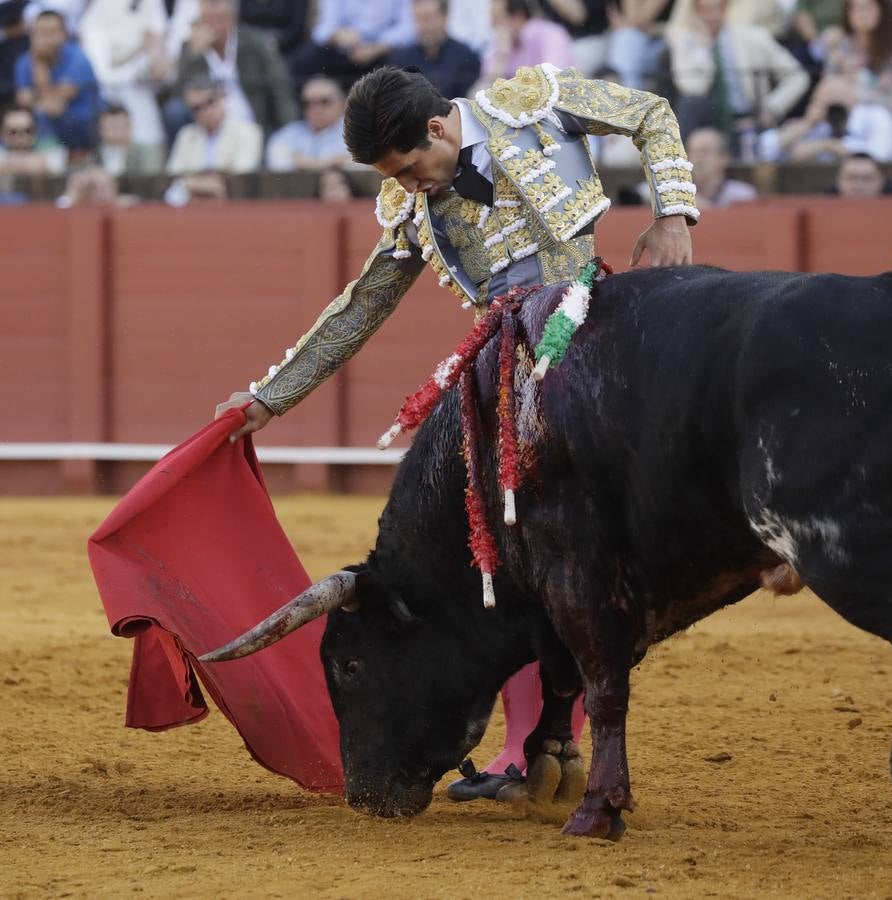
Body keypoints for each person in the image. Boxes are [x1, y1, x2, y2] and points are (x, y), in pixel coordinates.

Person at [213, 64, 697, 802]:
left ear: (437, 128)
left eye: (410, 168)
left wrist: (671, 215)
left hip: (595, 328)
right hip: (509, 374)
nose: (408, 187)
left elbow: (651, 112)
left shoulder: (533, 104)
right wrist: (270, 399)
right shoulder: (408, 207)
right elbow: (362, 306)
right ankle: (530, 746)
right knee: (493, 560)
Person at [667, 0, 810, 143]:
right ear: (696, 12)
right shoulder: (685, 42)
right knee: (691, 104)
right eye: (705, 10)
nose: (712, 16)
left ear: (726, 8)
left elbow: (797, 76)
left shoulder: (753, 37)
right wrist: (702, 48)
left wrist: (772, 107)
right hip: (707, 122)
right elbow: (693, 89)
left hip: (750, 118)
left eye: (716, 8)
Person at [171, 0, 298, 137]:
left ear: (232, 17)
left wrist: (289, 133)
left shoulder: (256, 43)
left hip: (253, 126)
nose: (214, 25)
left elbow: (280, 88)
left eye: (219, 18)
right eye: (208, 19)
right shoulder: (191, 48)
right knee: (174, 111)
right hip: (208, 132)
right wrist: (193, 55)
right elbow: (178, 97)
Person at [823, 0, 892, 146]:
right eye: (856, 8)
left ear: (881, 10)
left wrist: (857, 85)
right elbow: (828, 85)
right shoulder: (839, 44)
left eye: (868, 7)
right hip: (845, 115)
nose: (862, 14)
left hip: (890, 115)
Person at [78, 0, 171, 151]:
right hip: (105, 81)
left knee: (139, 89)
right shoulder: (96, 9)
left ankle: (150, 159)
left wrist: (147, 61)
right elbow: (97, 59)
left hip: (138, 77)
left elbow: (156, 40)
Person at [14, 10, 99, 153]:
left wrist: (38, 62)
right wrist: (37, 61)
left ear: (64, 35)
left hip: (83, 130)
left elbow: (53, 106)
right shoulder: (23, 62)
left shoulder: (78, 58)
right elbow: (23, 99)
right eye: (40, 32)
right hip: (45, 130)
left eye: (51, 32)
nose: (45, 38)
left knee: (46, 112)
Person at [770, 71, 892, 161]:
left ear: (853, 100)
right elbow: (767, 150)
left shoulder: (877, 115)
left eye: (836, 106)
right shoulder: (817, 123)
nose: (832, 113)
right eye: (823, 103)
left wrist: (829, 146)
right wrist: (807, 125)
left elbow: (880, 156)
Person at [289, 0, 416, 92]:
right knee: (302, 61)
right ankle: (304, 120)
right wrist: (336, 35)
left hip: (382, 52)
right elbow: (322, 29)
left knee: (404, 60)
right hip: (342, 50)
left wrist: (377, 47)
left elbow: (409, 29)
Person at [386, 0, 482, 100]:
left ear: (444, 16)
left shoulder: (467, 58)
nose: (423, 26)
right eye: (418, 19)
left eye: (428, 18)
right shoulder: (400, 59)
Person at [167, 78, 263, 175]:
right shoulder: (187, 135)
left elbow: (242, 174)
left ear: (222, 98)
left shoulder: (248, 132)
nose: (205, 111)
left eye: (210, 102)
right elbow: (173, 176)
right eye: (196, 108)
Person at [265, 76, 352, 172]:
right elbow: (277, 164)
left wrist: (306, 164)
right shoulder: (289, 133)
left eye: (325, 101)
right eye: (308, 103)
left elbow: (363, 165)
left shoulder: (357, 132)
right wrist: (335, 162)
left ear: (342, 103)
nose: (316, 109)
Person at [481, 0, 576, 84]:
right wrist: (501, 57)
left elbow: (553, 81)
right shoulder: (499, 44)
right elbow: (481, 92)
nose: (494, 27)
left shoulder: (552, 34)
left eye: (498, 20)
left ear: (518, 17)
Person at [686, 126, 758, 207]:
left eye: (704, 151)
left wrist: (707, 208)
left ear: (723, 157)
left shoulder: (743, 194)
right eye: (693, 152)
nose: (698, 158)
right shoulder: (680, 195)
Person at [94, 103, 164, 176]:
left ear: (130, 126)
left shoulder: (147, 153)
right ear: (101, 130)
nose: (116, 132)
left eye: (119, 126)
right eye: (111, 127)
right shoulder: (95, 155)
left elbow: (152, 180)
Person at [0, 102, 65, 173]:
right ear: (2, 133)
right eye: (13, 132)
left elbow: (57, 166)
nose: (21, 137)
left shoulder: (49, 146)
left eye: (28, 131)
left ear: (36, 132)